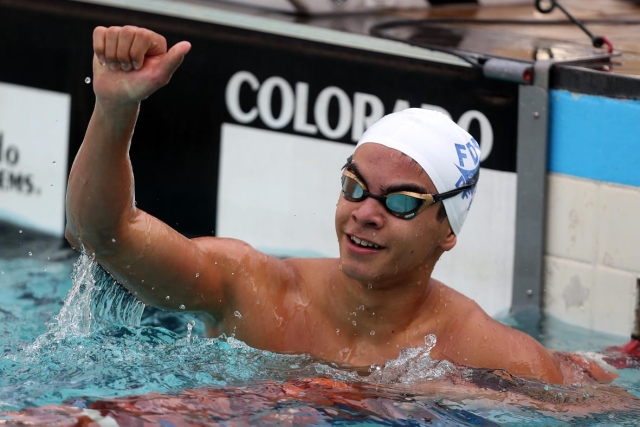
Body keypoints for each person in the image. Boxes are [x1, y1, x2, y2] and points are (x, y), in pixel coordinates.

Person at [65, 26, 592, 385]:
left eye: (401, 202)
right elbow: (101, 235)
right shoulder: (254, 291)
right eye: (354, 186)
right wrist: (114, 108)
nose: (365, 212)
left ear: (447, 228)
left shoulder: (495, 358)